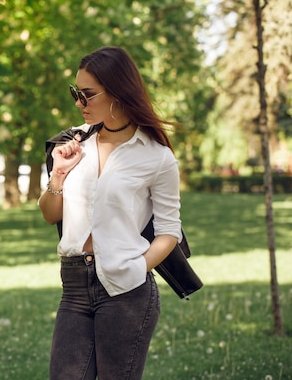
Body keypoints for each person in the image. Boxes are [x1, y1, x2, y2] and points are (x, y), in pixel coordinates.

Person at [38, 46, 182, 380]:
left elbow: (169, 232)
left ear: (118, 91)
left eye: (87, 94)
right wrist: (58, 173)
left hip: (126, 290)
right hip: (74, 285)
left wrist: (135, 268)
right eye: (75, 93)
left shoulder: (156, 156)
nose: (78, 103)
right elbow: (49, 214)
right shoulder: (73, 144)